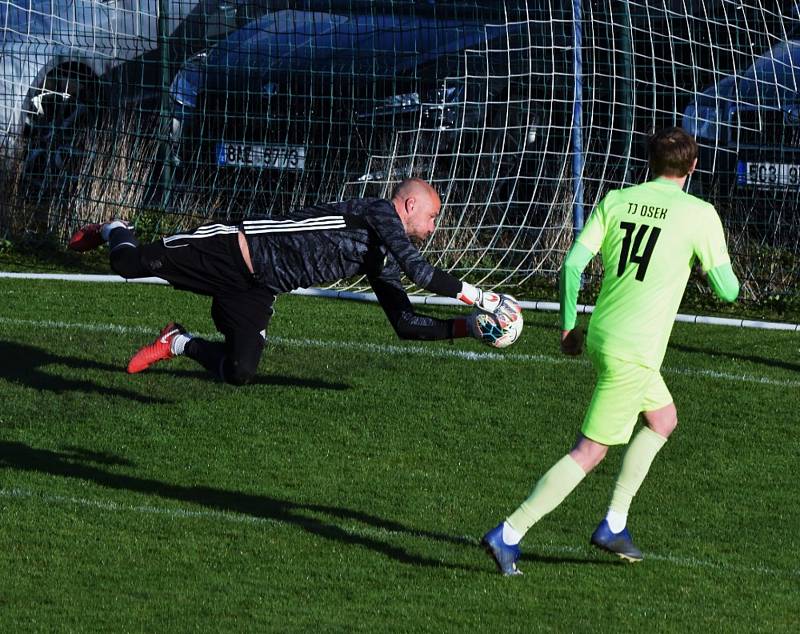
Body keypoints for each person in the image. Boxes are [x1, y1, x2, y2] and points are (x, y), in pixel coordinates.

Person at [481, 127, 740, 575]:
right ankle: (509, 532)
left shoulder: (617, 200)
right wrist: (700, 264)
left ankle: (615, 523)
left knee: (663, 419)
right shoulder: (701, 214)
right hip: (635, 352)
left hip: (603, 335)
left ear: (650, 162)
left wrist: (568, 328)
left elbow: (572, 264)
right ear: (693, 167)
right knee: (589, 451)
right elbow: (729, 290)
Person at [69, 178, 516, 385]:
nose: (434, 228)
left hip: (258, 289)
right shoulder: (377, 211)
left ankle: (177, 342)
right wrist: (486, 298)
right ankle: (116, 227)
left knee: (239, 372)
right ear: (411, 205)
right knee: (127, 265)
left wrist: (470, 326)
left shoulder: (381, 256)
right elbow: (420, 272)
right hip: (230, 249)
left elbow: (404, 321)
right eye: (433, 217)